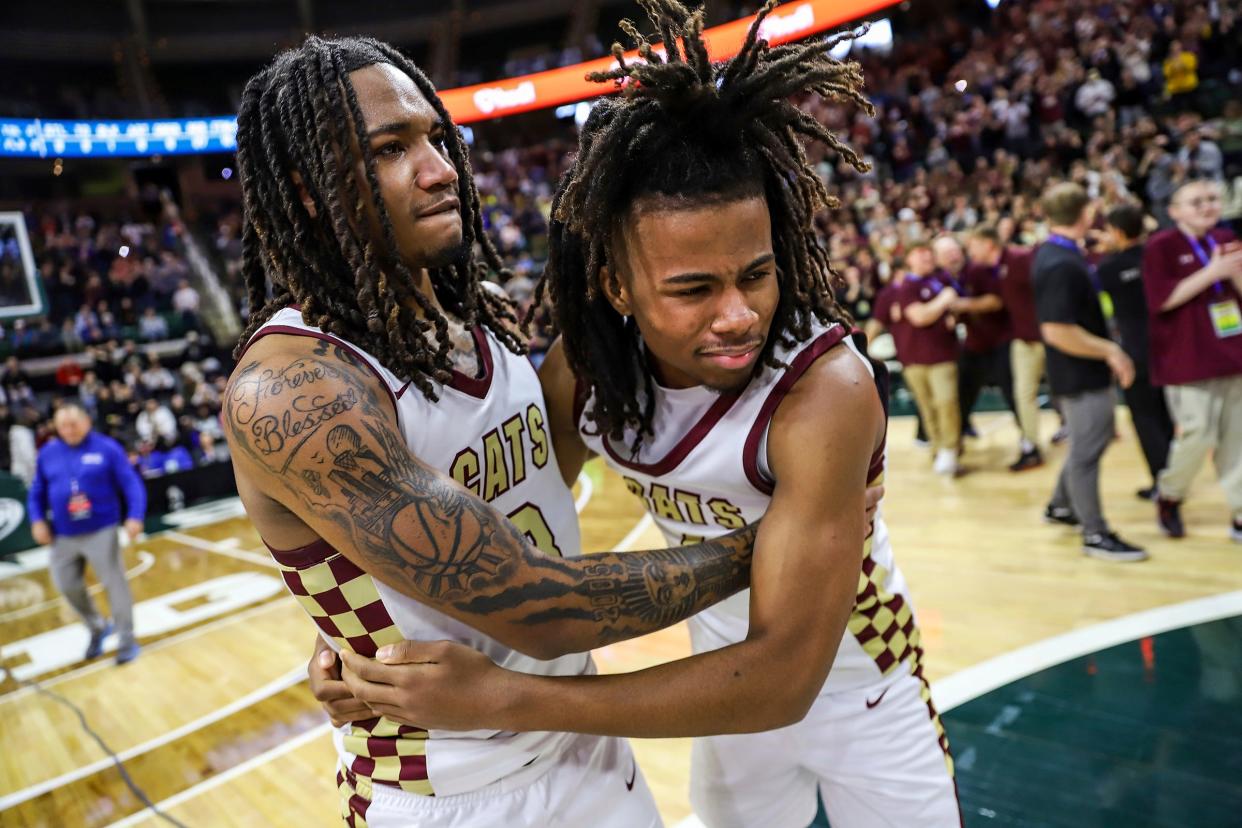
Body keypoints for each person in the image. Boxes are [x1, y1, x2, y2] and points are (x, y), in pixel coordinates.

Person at [327, 6, 959, 827]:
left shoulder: (825, 389)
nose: (737, 315)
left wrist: (511, 698)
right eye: (694, 289)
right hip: (723, 689)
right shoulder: (591, 371)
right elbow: (491, 519)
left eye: (757, 275)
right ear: (618, 291)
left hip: (857, 687)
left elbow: (784, 678)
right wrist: (364, 640)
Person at [225, 33, 773, 828]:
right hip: (452, 790)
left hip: (581, 737)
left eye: (437, 138)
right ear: (309, 190)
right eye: (391, 149)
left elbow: (529, 480)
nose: (441, 168)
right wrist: (767, 544)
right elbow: (538, 611)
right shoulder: (292, 389)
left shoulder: (470, 312)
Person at [1032, 182, 1146, 561]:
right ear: (1085, 214)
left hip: (1078, 371)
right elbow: (1057, 330)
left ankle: (1060, 506)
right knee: (1087, 452)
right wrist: (1111, 350)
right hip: (1079, 374)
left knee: (1085, 445)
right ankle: (1094, 533)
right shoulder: (1060, 263)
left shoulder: (1058, 253)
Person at [1142, 179, 1242, 541]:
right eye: (1196, 201)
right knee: (1197, 436)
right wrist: (1211, 273)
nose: (1206, 206)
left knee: (1237, 441)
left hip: (1233, 353)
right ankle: (1170, 494)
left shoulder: (1227, 240)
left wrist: (1235, 274)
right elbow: (1161, 301)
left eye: (1213, 199)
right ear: (1175, 211)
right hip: (1186, 360)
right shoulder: (1161, 247)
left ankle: (1240, 514)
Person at [26, 401, 145, 664]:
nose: (68, 430)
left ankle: (127, 639)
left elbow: (130, 483)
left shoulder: (107, 448)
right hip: (63, 534)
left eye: (73, 424)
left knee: (115, 585)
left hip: (101, 530)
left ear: (86, 422)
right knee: (66, 585)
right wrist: (37, 520)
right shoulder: (47, 453)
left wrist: (135, 515)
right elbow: (36, 493)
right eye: (62, 426)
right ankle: (97, 626)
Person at [1096, 202, 1173, 500]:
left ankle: (1162, 482)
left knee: (1144, 417)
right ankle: (1173, 475)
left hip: (1135, 349)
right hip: (1166, 345)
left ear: (1115, 231)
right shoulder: (1156, 255)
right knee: (1165, 414)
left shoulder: (1109, 267)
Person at [965, 226, 1043, 470]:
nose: (970, 252)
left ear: (989, 244)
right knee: (1023, 394)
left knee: (1060, 390)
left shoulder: (1019, 259)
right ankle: (1031, 446)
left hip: (1046, 336)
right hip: (1025, 339)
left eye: (973, 246)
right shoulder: (996, 268)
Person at [944, 233, 1020, 453]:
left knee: (1012, 391)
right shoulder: (943, 279)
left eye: (955, 251)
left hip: (999, 341)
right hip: (974, 343)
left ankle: (1028, 439)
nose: (953, 256)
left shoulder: (977, 271)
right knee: (962, 392)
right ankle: (959, 434)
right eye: (946, 254)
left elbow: (996, 301)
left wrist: (962, 305)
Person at [899, 242, 962, 475]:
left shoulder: (941, 279)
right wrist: (943, 301)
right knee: (927, 407)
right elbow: (919, 316)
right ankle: (938, 447)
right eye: (921, 254)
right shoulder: (907, 286)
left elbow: (957, 304)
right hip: (913, 358)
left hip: (942, 355)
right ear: (909, 259)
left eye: (929, 254)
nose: (927, 258)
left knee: (946, 403)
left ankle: (950, 449)